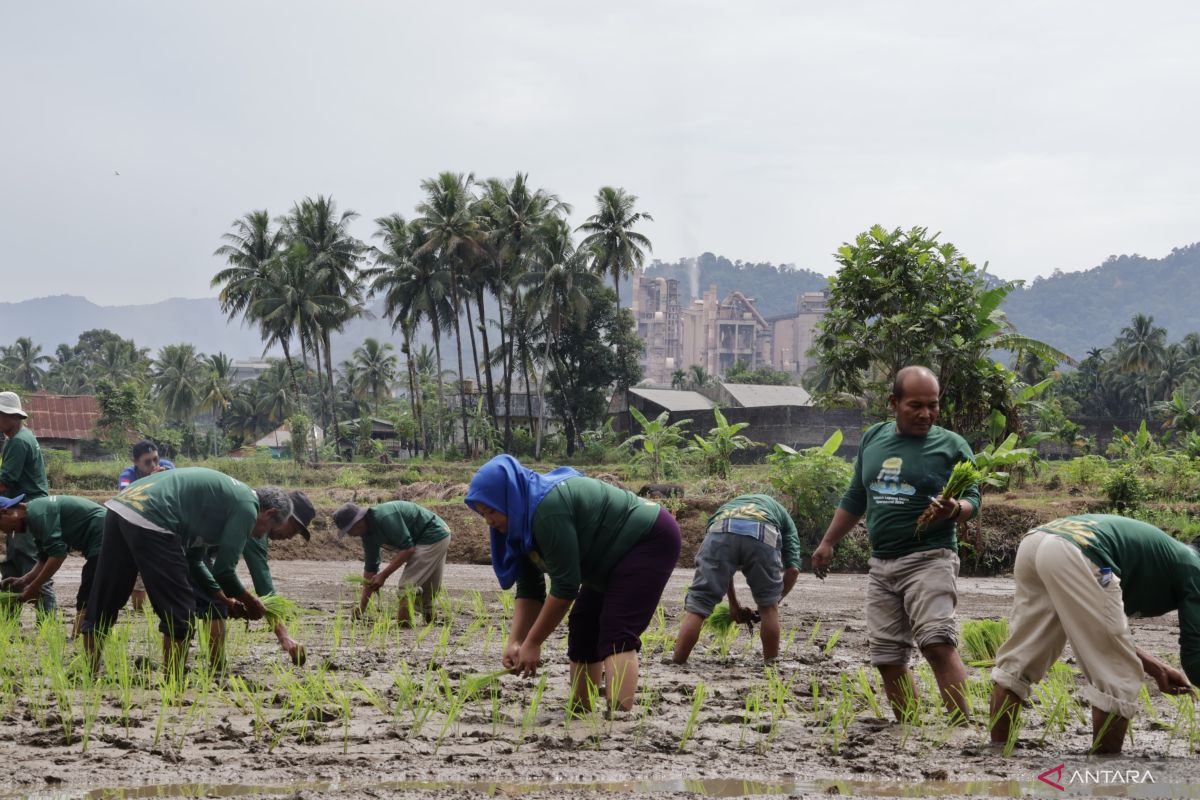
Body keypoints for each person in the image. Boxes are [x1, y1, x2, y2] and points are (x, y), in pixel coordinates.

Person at [811, 366, 980, 721]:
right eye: (915, 405)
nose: (926, 414)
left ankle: (961, 725)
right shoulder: (874, 439)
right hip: (882, 564)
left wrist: (954, 510)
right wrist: (828, 541)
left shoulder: (952, 446)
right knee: (887, 656)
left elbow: (973, 501)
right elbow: (856, 495)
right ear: (894, 402)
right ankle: (910, 729)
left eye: (932, 405)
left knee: (937, 642)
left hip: (931, 558)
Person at [466, 455, 681, 713]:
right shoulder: (518, 525)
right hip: (607, 554)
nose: (488, 520)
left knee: (616, 628)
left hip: (648, 538)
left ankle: (619, 717)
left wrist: (533, 643)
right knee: (583, 622)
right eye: (482, 513)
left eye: (491, 510)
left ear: (510, 497)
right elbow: (530, 590)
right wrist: (516, 641)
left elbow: (565, 587)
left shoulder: (546, 511)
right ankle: (581, 709)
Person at [989, 514, 1199, 754]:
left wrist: (1157, 668)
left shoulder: (1173, 555)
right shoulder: (1194, 568)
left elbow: (1101, 630)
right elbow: (1195, 658)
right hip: (1080, 551)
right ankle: (1105, 773)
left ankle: (997, 754)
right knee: (1117, 675)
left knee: (1020, 660)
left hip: (1038, 542)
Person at [82, 467, 292, 677]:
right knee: (180, 610)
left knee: (105, 596)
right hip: (154, 515)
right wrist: (250, 600)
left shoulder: (223, 503)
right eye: (269, 531)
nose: (260, 536)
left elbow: (194, 560)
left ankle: (89, 674)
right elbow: (224, 571)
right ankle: (174, 683)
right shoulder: (248, 506)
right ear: (269, 512)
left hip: (122, 506)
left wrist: (227, 601)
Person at [192, 490, 316, 669]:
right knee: (215, 604)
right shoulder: (255, 522)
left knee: (209, 597)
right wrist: (284, 636)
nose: (290, 537)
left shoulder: (251, 508)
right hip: (189, 542)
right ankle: (218, 668)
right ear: (282, 515)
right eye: (295, 529)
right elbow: (263, 583)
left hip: (193, 542)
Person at [672, 494, 801, 664]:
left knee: (698, 606)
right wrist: (773, 602)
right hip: (763, 532)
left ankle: (677, 661)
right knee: (769, 609)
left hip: (721, 529)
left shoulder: (726, 508)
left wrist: (734, 604)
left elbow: (725, 568)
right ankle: (771, 665)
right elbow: (793, 570)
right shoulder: (783, 516)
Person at [334, 499, 452, 625]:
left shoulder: (384, 517)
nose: (350, 535)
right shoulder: (367, 535)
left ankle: (403, 625)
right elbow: (370, 569)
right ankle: (430, 622)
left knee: (406, 586)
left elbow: (408, 549)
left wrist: (383, 575)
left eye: (349, 530)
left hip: (433, 534)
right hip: (429, 537)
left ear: (358, 521)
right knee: (429, 588)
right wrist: (361, 608)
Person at [0, 495, 105, 628]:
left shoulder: (38, 515)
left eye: (1, 527)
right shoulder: (34, 515)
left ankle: (81, 639)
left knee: (89, 591)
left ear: (5, 512)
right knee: (88, 591)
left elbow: (58, 555)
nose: (5, 532)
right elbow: (45, 557)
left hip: (101, 533)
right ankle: (79, 638)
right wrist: (25, 579)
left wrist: (34, 586)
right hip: (97, 536)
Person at [0, 391, 55, 613]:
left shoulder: (18, 442)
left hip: (26, 511)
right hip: (23, 509)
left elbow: (4, 482)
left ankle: (48, 620)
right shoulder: (22, 436)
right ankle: (9, 620)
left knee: (31, 563)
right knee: (12, 563)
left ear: (11, 416)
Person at [116, 439, 175, 611]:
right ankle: (139, 612)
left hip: (164, 527)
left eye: (155, 459)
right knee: (139, 573)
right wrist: (151, 481)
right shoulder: (127, 475)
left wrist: (163, 478)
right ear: (135, 462)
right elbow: (125, 494)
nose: (154, 464)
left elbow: (177, 489)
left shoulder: (167, 468)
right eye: (147, 462)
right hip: (138, 528)